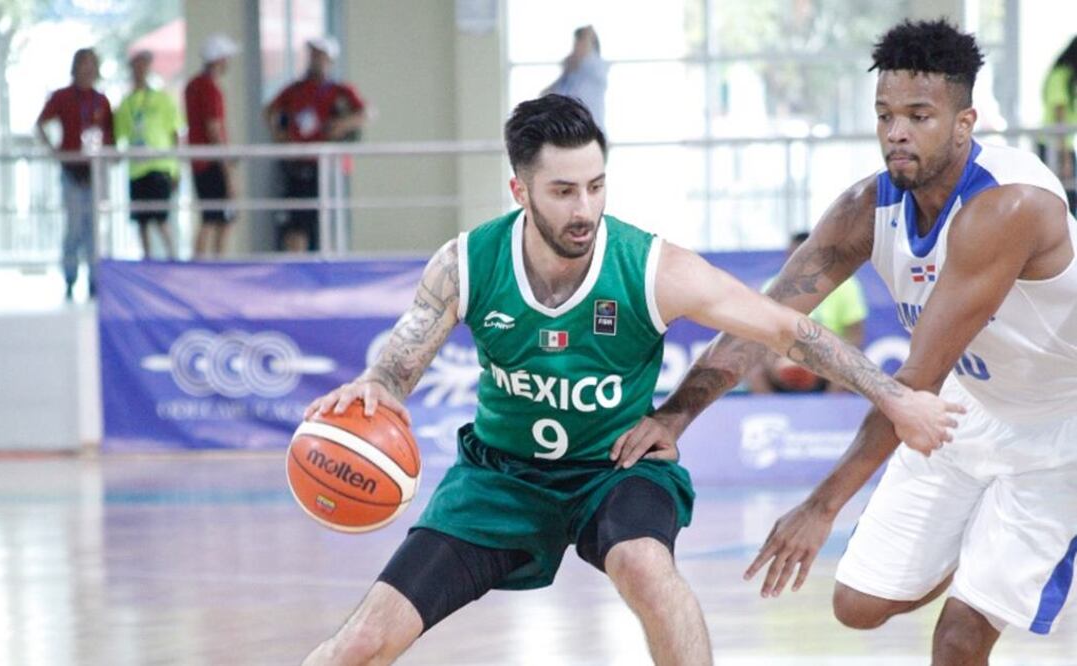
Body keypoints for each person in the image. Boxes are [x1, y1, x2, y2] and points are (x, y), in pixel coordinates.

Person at [298, 94, 959, 666]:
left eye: (595, 185)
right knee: (362, 642)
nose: (584, 208)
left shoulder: (649, 266)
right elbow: (397, 366)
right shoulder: (467, 263)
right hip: (500, 477)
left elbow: (783, 328)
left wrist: (895, 397)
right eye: (563, 191)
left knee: (645, 565)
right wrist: (378, 386)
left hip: (615, 468)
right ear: (520, 191)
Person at [612, 20, 1077, 664]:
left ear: (964, 123)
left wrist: (820, 506)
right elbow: (764, 318)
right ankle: (972, 542)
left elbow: (914, 383)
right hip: (967, 407)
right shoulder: (866, 208)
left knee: (960, 635)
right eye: (885, 115)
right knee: (857, 604)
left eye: (919, 116)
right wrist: (675, 417)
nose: (896, 133)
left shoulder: (1007, 207)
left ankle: (987, 563)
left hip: (1058, 427)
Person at [264, 35, 367, 252]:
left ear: (329, 60)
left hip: (325, 168)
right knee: (296, 222)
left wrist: (341, 125)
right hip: (297, 165)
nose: (314, 60)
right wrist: (279, 135)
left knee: (323, 221)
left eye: (320, 55)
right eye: (312, 55)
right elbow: (270, 110)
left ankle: (322, 260)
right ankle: (297, 264)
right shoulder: (295, 89)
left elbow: (364, 113)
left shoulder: (339, 90)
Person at [35, 48, 114, 300]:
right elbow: (40, 124)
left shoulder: (101, 101)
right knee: (74, 226)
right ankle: (70, 277)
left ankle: (94, 279)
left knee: (93, 228)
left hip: (94, 171)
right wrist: (54, 151)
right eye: (83, 64)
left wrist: (109, 157)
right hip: (71, 170)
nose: (87, 69)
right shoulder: (62, 96)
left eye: (92, 64)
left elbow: (110, 136)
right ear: (75, 67)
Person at [747, 230, 868, 393]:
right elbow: (762, 336)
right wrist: (772, 366)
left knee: (851, 371)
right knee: (755, 371)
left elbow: (854, 335)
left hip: (829, 362)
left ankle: (832, 407)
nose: (799, 263)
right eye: (794, 257)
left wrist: (836, 363)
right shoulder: (772, 287)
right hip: (784, 357)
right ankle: (769, 408)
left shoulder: (846, 285)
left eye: (804, 257)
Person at [113, 51, 183, 259]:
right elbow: (119, 136)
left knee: (161, 217)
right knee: (142, 220)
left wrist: (176, 169)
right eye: (136, 65)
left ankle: (172, 257)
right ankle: (147, 259)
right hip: (137, 170)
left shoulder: (163, 99)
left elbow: (175, 134)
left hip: (160, 166)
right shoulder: (126, 103)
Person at [186, 33, 240, 257]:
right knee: (218, 219)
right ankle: (215, 266)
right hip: (212, 163)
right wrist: (227, 169)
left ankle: (205, 265)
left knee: (211, 217)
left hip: (200, 161)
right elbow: (214, 129)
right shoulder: (209, 88)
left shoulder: (193, 85)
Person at [542, 25, 608, 132]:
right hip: (570, 132)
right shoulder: (569, 76)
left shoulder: (594, 66)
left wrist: (588, 31)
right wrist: (566, 71)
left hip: (591, 130)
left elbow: (587, 36)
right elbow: (546, 94)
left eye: (578, 44)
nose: (575, 49)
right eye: (575, 45)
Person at [1039, 36, 1077, 212]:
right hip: (1054, 145)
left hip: (1064, 145)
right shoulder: (1060, 75)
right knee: (1062, 198)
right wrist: (1065, 157)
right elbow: (1059, 116)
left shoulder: (1069, 77)